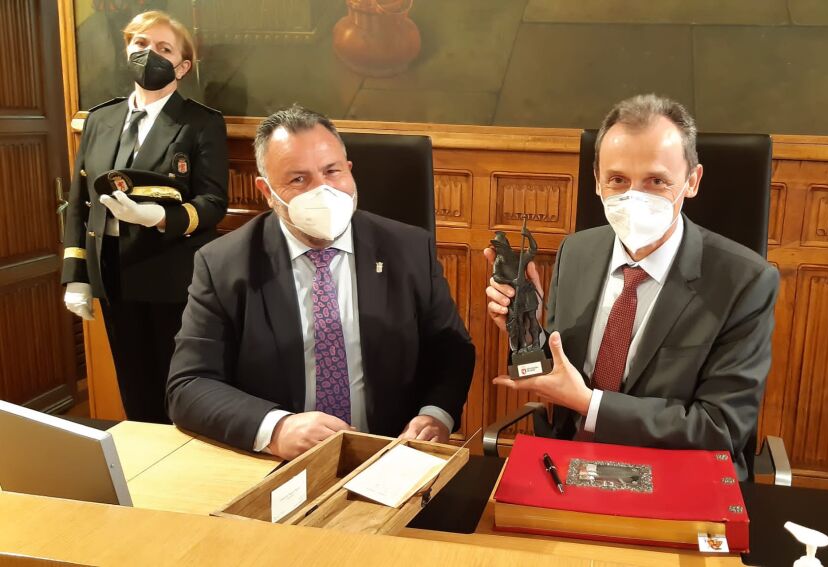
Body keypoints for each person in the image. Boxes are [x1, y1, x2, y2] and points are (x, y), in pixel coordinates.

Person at [485, 94, 778, 479]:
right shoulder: (577, 252)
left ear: (692, 181)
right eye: (618, 180)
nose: (634, 197)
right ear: (596, 182)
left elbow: (720, 429)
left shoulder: (746, 281)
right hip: (571, 469)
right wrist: (524, 325)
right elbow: (557, 375)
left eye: (656, 181)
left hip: (678, 478)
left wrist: (592, 405)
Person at [166, 105, 475, 460]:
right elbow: (188, 386)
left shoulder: (408, 248)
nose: (323, 190)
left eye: (332, 171)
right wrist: (275, 428)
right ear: (267, 191)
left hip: (391, 456)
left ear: (350, 171)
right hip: (279, 463)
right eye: (299, 179)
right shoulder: (224, 264)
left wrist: (435, 415)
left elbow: (452, 350)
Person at [61, 10, 229, 423]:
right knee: (133, 389)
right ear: (127, 49)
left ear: (182, 66)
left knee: (178, 389)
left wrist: (156, 216)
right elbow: (79, 199)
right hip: (113, 272)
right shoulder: (100, 119)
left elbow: (213, 203)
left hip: (170, 273)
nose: (148, 53)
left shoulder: (200, 123)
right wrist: (76, 277)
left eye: (163, 48)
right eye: (140, 43)